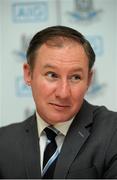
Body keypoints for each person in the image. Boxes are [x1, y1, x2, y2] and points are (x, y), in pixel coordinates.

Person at [0, 25, 117, 179]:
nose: (63, 93)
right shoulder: (3, 142)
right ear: (29, 74)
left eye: (75, 77)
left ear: (88, 80)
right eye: (52, 75)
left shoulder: (113, 131)